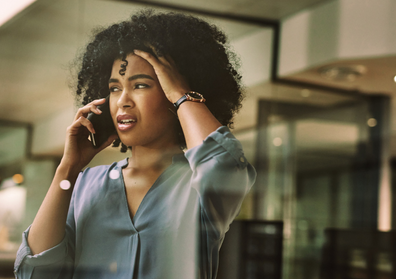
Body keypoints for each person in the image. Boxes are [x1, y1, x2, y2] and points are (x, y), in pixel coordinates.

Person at [14, 10, 256, 279]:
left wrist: (181, 93)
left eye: (140, 85)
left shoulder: (198, 185)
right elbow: (34, 272)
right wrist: (67, 170)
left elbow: (225, 165)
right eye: (115, 88)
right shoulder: (83, 185)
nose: (123, 101)